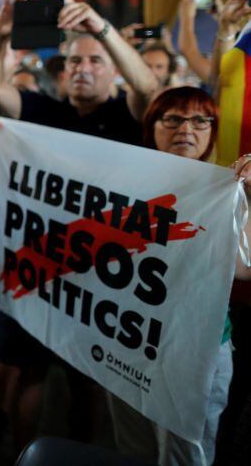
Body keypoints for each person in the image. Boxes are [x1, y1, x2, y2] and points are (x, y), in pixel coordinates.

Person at [108, 86, 251, 466]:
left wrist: (249, 199)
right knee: (133, 448)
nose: (186, 128)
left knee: (185, 456)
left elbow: (243, 268)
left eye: (200, 119)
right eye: (172, 118)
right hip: (127, 337)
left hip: (196, 350)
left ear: (212, 132)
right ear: (151, 127)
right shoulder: (124, 184)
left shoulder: (227, 189)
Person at [0, 0, 160, 143]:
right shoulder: (45, 111)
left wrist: (101, 28)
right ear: (64, 69)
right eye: (75, 61)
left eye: (95, 61)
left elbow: (147, 88)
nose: (82, 69)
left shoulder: (127, 113)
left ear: (114, 72)